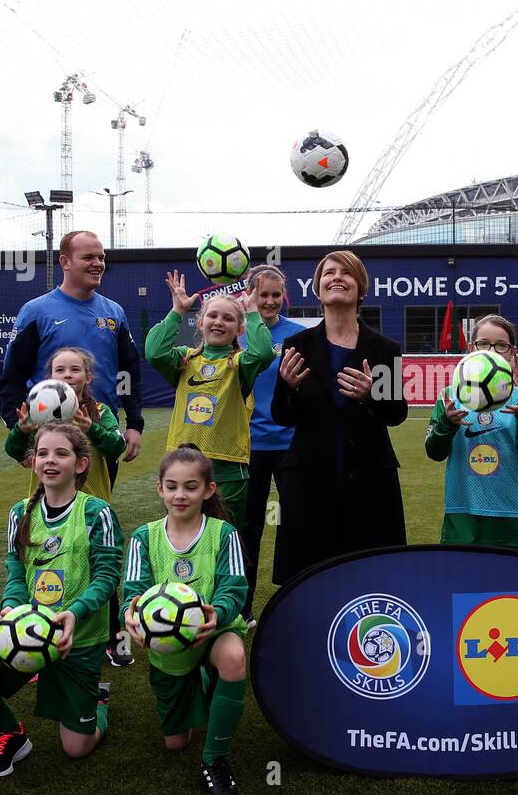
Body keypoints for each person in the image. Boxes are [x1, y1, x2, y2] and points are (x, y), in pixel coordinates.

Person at [0, 422, 122, 780]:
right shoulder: (19, 512)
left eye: (61, 453)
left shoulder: (96, 512)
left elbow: (106, 577)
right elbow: (15, 568)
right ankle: (10, 735)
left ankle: (96, 702)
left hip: (78, 637)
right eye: (42, 453)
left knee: (77, 749)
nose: (50, 460)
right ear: (33, 462)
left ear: (81, 464)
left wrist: (73, 613)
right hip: (24, 628)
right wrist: (11, 606)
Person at [0, 229, 143, 667]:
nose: (97, 263)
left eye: (101, 257)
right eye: (88, 257)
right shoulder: (37, 311)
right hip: (49, 443)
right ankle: (42, 619)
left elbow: (131, 370)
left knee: (98, 530)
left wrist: (133, 424)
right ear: (65, 261)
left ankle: (110, 633)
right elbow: (11, 378)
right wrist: (22, 436)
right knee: (50, 534)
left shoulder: (113, 311)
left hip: (98, 438)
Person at [271, 249, 407, 585]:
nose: (336, 278)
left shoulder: (384, 349)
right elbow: (281, 415)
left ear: (361, 288)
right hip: (309, 482)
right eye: (329, 273)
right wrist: (287, 387)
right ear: (318, 289)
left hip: (370, 481)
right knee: (308, 578)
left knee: (369, 576)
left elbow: (396, 413)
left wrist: (371, 394)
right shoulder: (296, 344)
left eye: (346, 273)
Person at [122, 445, 249, 795]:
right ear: (160, 489)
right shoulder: (143, 537)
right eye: (172, 486)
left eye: (191, 487)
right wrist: (129, 618)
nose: (181, 495)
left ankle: (215, 760)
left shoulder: (223, 533)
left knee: (234, 658)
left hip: (215, 631)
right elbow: (132, 591)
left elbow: (235, 587)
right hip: (166, 646)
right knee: (176, 743)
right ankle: (199, 687)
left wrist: (217, 615)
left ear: (208, 490)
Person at [144, 270, 275, 535]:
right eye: (212, 316)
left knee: (224, 540)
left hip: (227, 470)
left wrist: (251, 312)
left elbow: (263, 352)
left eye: (228, 318)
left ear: (239, 329)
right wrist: (177, 312)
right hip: (183, 467)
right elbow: (154, 352)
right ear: (200, 322)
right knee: (183, 536)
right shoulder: (185, 360)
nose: (219, 322)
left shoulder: (239, 364)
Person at [424, 314, 518, 550]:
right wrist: (447, 424)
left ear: (512, 352)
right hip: (463, 513)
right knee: (462, 582)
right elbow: (434, 452)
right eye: (484, 343)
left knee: (514, 584)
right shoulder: (451, 396)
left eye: (501, 345)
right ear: (471, 348)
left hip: (514, 513)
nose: (492, 350)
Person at [239, 267, 306, 625]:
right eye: (262, 294)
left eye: (275, 295)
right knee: (247, 527)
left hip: (291, 444)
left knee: (294, 524)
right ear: (250, 294)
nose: (268, 301)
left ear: (284, 297)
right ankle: (243, 608)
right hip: (246, 446)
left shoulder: (299, 335)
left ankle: (298, 603)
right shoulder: (236, 331)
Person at [4, 346, 125, 501]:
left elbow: (118, 446)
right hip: (46, 505)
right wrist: (21, 431)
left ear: (88, 377)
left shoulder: (100, 411)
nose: (67, 375)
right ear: (50, 377)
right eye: (60, 370)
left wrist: (90, 428)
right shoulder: (40, 415)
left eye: (75, 370)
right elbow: (15, 452)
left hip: (91, 505)